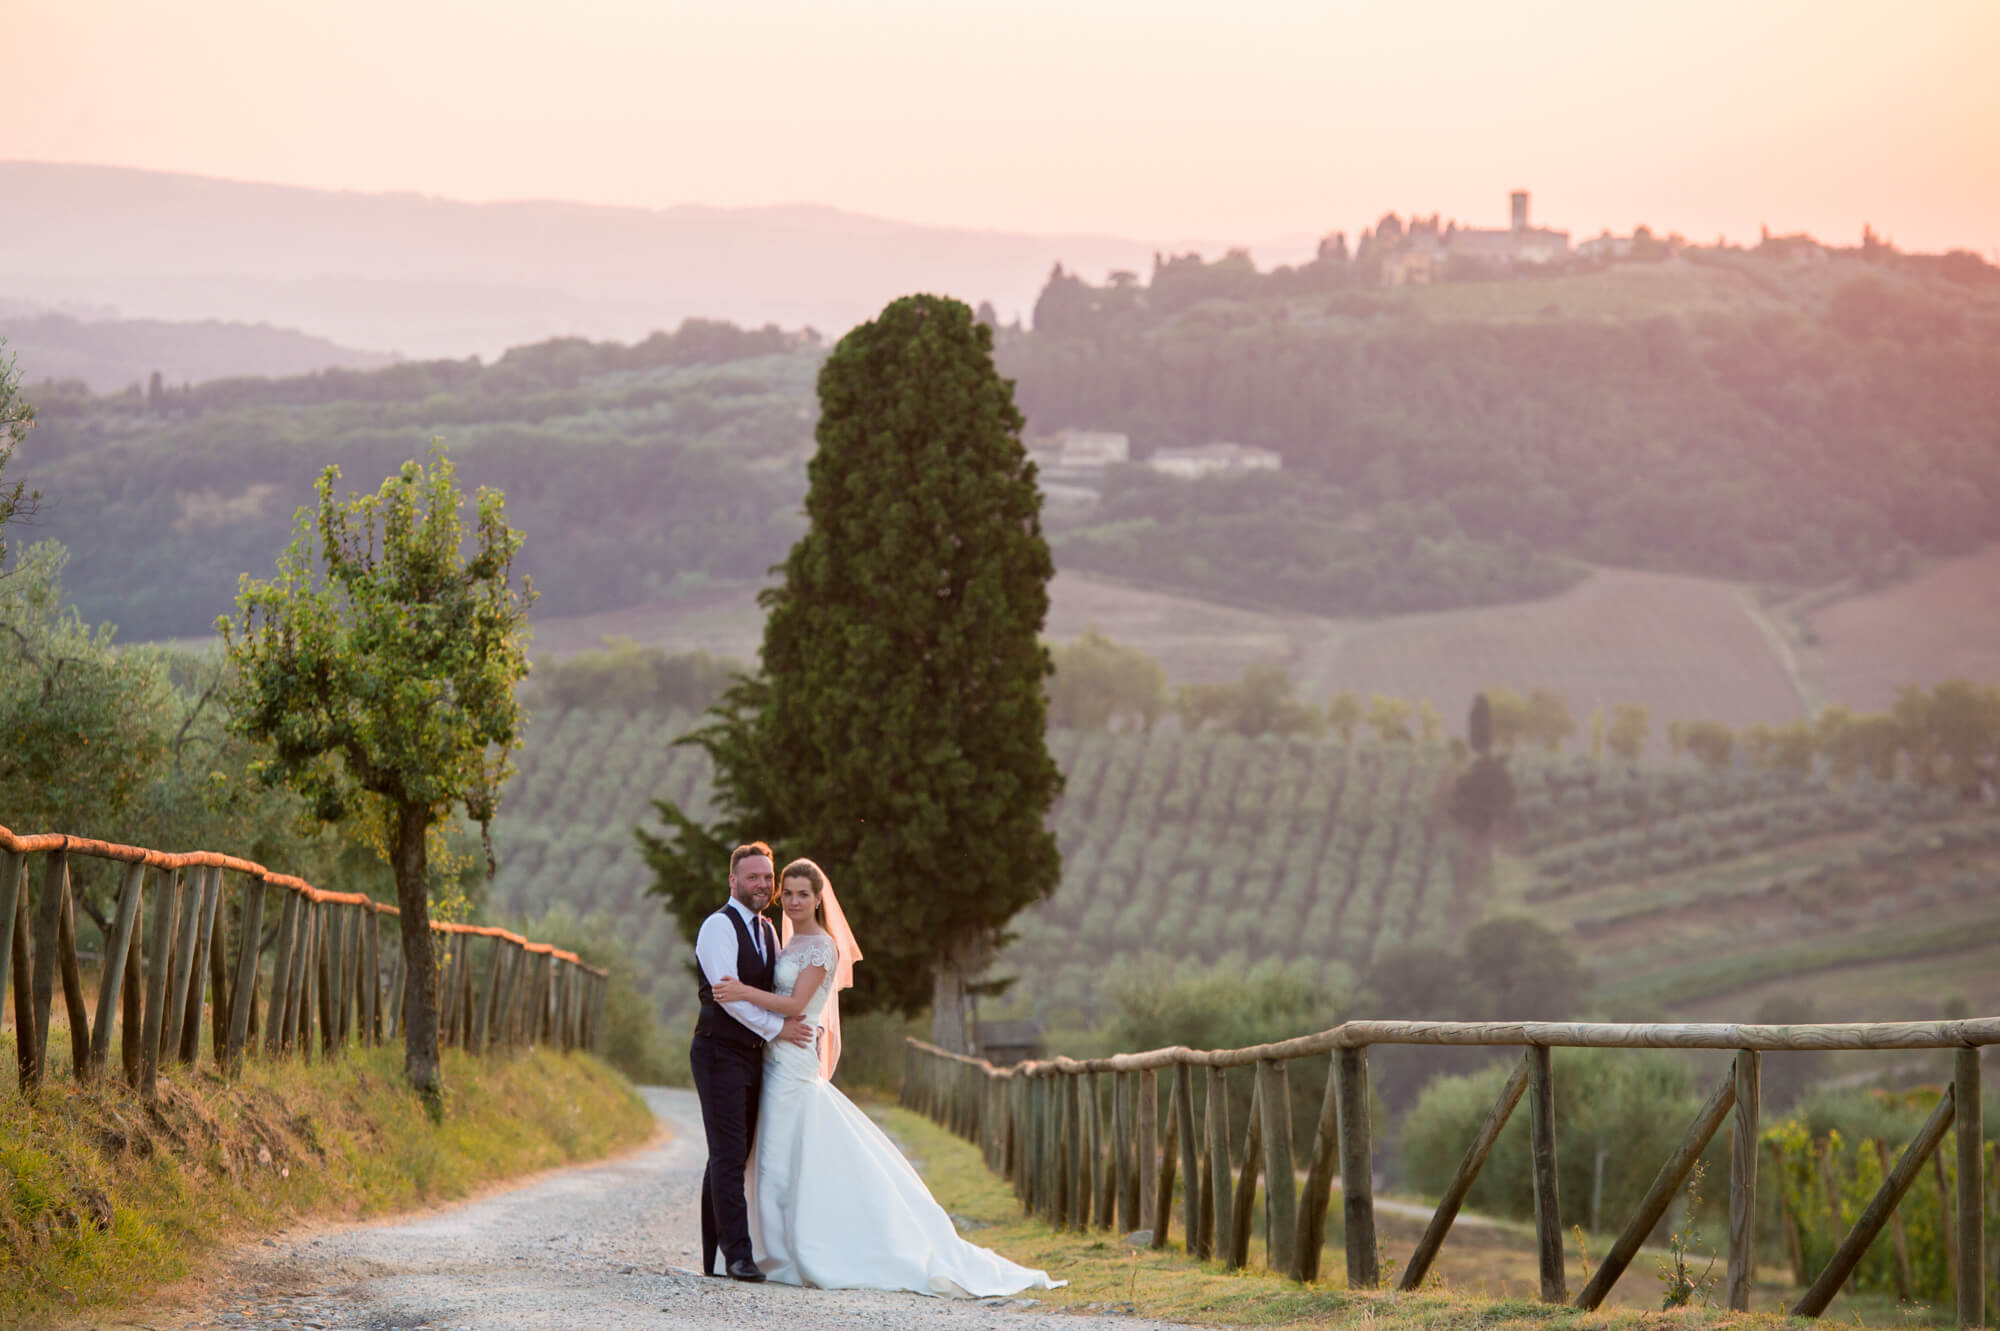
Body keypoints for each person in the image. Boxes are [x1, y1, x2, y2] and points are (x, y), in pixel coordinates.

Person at [711, 857, 1063, 1296]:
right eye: (790, 893)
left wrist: (743, 991)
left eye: (805, 893)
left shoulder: (821, 946)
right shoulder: (786, 941)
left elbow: (799, 1005)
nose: (796, 901)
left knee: (782, 1156)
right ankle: (775, 1252)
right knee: (773, 1157)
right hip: (775, 1058)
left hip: (794, 1061)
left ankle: (798, 1253)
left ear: (820, 899)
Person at [691, 842, 815, 1282]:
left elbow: (768, 993)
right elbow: (730, 998)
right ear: (733, 881)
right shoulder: (716, 927)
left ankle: (715, 1257)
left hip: (753, 1057)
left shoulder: (767, 930)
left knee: (734, 1154)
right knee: (727, 1154)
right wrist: (779, 1030)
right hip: (717, 1050)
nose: (762, 884)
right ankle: (739, 1256)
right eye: (753, 877)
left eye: (767, 877)